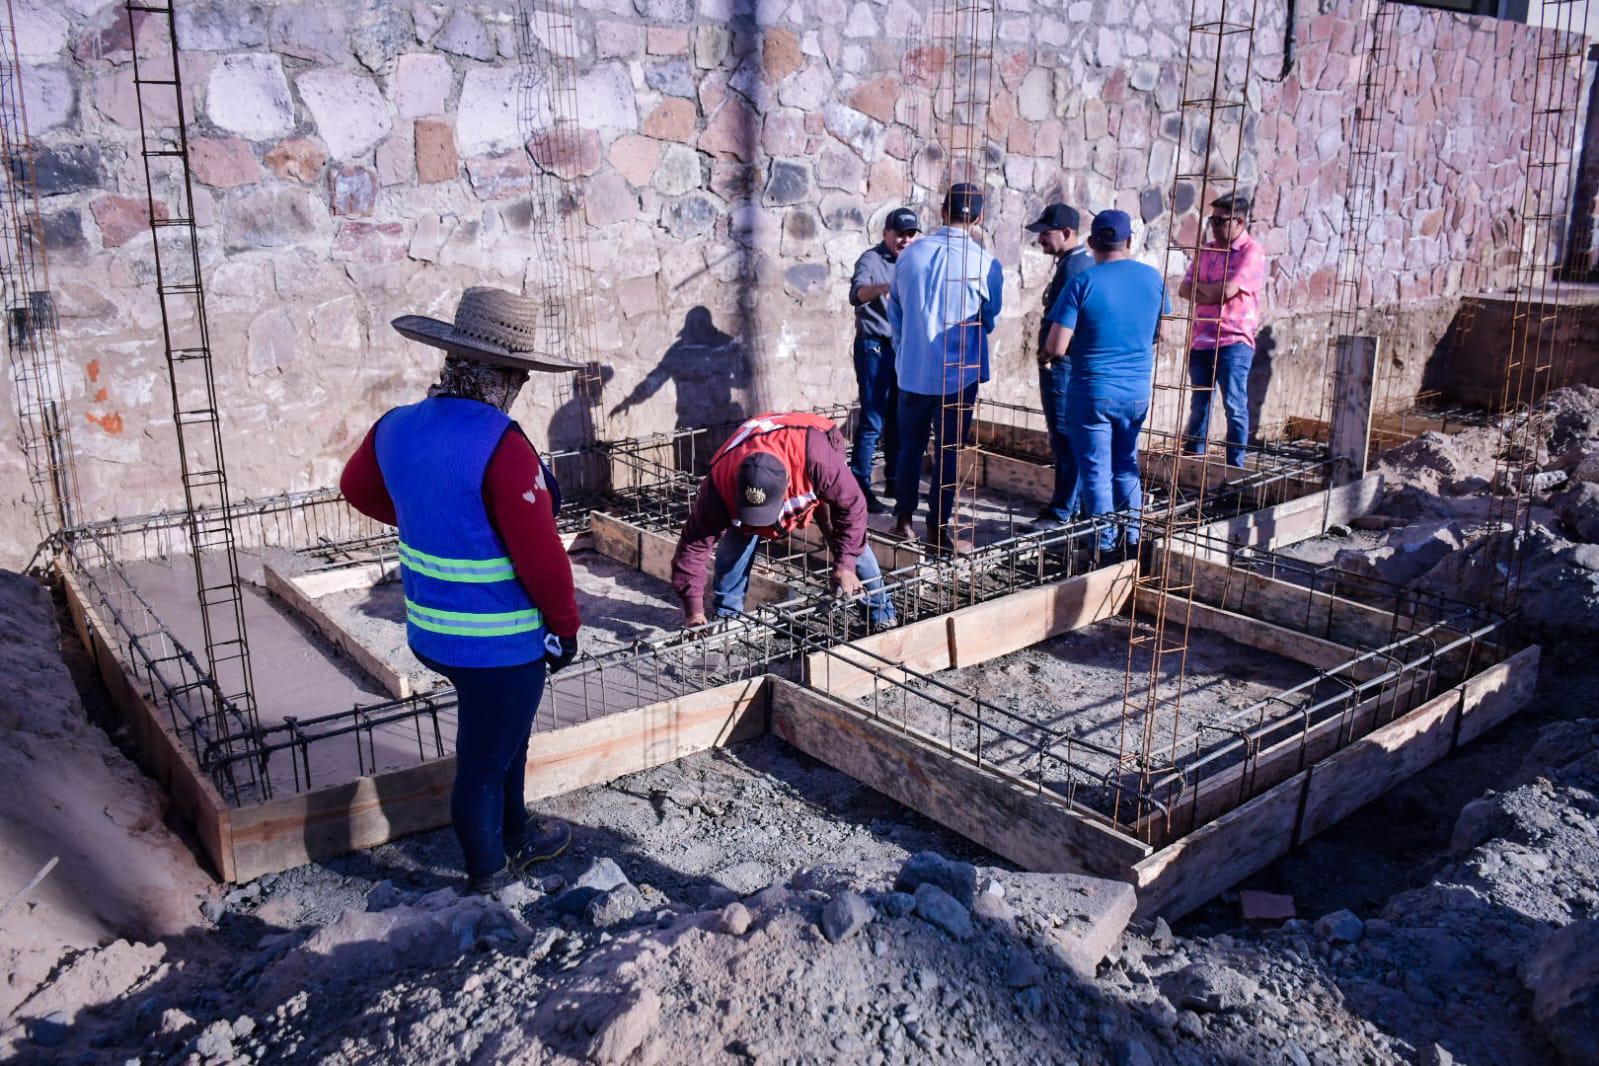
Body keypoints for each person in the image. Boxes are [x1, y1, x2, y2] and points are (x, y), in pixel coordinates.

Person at [339, 287, 582, 895]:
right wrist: (565, 623)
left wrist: (434, 519)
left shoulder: (395, 426)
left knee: (503, 738)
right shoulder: (503, 445)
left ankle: (517, 829)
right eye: (519, 379)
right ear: (507, 378)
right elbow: (542, 557)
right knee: (481, 763)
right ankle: (489, 879)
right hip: (496, 643)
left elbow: (358, 489)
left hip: (430, 630)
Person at [671, 411, 896, 629]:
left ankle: (881, 610)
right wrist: (694, 611)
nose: (764, 524)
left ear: (788, 484)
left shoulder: (818, 461)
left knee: (846, 537)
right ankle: (728, 617)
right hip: (757, 451)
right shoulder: (720, 486)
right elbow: (692, 547)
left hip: (812, 439)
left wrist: (845, 564)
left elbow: (853, 507)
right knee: (737, 537)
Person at [1042, 210, 1171, 557]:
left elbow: (1056, 346)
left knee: (1096, 470)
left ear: (1090, 242)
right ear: (1129, 241)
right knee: (1126, 464)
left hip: (1093, 391)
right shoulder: (1153, 279)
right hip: (1136, 392)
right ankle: (1132, 539)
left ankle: (1102, 547)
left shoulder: (1082, 283)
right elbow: (1164, 332)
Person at [887, 183, 1004, 554]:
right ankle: (938, 529)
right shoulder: (985, 263)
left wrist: (906, 351)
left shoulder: (909, 255)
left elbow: (896, 314)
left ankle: (903, 518)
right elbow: (989, 317)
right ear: (979, 218)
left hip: (914, 370)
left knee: (910, 448)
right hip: (958, 374)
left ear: (942, 211)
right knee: (948, 451)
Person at [1178, 191, 1266, 468]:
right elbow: (1184, 289)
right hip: (1202, 338)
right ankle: (1193, 464)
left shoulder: (1252, 252)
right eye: (1211, 221)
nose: (1213, 226)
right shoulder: (1207, 250)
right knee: (1199, 405)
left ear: (1239, 222)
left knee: (1234, 406)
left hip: (1234, 340)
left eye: (1219, 221)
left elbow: (1228, 291)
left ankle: (1234, 467)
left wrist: (1205, 292)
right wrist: (1213, 293)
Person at [847, 207, 920, 515]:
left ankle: (893, 480)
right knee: (873, 419)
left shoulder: (915, 261)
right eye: (899, 234)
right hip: (874, 347)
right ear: (886, 233)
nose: (904, 240)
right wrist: (884, 288)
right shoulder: (871, 260)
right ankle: (859, 487)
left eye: (910, 234)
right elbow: (856, 294)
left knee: (897, 417)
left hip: (901, 348)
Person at [1025, 203, 1094, 530]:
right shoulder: (1073, 263)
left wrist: (1048, 354)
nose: (1040, 240)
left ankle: (1063, 510)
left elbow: (1066, 323)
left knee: (1064, 437)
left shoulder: (1074, 268)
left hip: (1062, 364)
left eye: (1045, 233)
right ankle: (1072, 506)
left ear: (1067, 233)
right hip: (1064, 363)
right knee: (1065, 437)